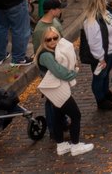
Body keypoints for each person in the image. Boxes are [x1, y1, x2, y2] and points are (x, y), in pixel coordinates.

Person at [36, 28, 94, 157]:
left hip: (54, 90)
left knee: (58, 116)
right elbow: (60, 72)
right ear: (44, 41)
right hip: (57, 90)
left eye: (55, 38)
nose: (52, 41)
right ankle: (76, 145)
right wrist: (74, 72)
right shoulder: (46, 55)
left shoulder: (52, 51)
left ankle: (61, 145)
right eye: (48, 39)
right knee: (76, 115)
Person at [80, 0, 112, 112]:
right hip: (104, 55)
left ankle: (106, 93)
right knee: (100, 77)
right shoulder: (91, 21)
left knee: (105, 76)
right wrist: (100, 58)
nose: (108, 0)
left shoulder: (108, 11)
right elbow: (94, 42)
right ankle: (100, 99)